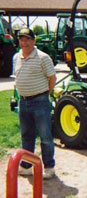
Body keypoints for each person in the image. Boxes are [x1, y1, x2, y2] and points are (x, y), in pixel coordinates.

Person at [13, 28, 56, 179]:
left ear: (34, 40)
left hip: (40, 101)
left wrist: (45, 95)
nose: (24, 42)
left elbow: (52, 78)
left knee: (45, 136)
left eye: (27, 39)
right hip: (23, 101)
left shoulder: (43, 58)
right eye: (21, 39)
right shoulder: (16, 57)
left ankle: (49, 167)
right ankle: (26, 166)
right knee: (26, 135)